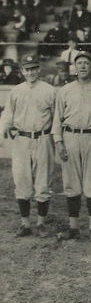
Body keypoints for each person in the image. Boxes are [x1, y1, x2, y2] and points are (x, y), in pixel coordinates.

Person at [52, 53, 91, 242]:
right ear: (74, 67)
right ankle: (73, 227)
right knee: (71, 184)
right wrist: (59, 142)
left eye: (86, 63)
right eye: (79, 63)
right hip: (70, 137)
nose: (82, 66)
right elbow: (57, 119)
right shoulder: (65, 90)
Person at [3, 56, 55, 238]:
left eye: (33, 68)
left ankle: (41, 223)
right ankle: (25, 224)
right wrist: (4, 129)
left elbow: (56, 118)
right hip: (22, 139)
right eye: (27, 69)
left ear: (39, 69)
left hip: (43, 138)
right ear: (22, 71)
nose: (30, 72)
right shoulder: (16, 91)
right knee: (22, 180)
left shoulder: (49, 90)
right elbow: (8, 115)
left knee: (43, 181)